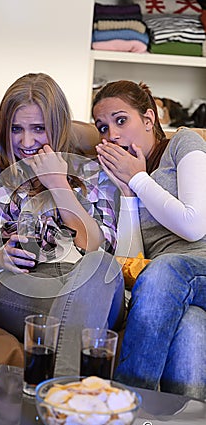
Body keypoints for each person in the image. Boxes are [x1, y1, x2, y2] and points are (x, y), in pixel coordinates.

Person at [0, 72, 125, 375]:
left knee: (102, 267)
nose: (26, 142)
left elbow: (98, 246)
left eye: (39, 129)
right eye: (16, 129)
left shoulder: (93, 174)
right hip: (18, 285)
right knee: (78, 313)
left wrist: (57, 184)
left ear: (59, 127)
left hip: (88, 284)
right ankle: (70, 402)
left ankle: (59, 402)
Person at [92, 79, 206, 400]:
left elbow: (194, 224)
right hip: (171, 287)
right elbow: (135, 263)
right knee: (192, 330)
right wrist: (127, 193)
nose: (111, 134)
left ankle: (125, 405)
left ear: (148, 118)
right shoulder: (121, 178)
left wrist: (139, 179)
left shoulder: (184, 143)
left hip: (196, 267)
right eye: (102, 127)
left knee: (164, 270)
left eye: (121, 120)